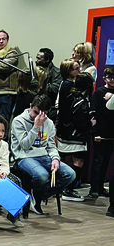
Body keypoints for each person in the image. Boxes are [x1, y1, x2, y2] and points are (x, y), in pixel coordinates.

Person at [11, 94, 76, 215]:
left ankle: (38, 195)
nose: (39, 117)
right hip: (24, 156)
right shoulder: (18, 121)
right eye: (36, 112)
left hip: (44, 155)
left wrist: (55, 159)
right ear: (31, 106)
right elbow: (25, 145)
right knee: (42, 175)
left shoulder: (49, 123)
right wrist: (36, 127)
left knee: (70, 174)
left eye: (43, 114)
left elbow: (51, 145)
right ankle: (35, 195)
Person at [54, 59, 90, 198]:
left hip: (65, 128)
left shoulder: (65, 84)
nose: (79, 70)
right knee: (76, 160)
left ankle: (67, 187)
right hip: (72, 130)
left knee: (69, 158)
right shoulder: (69, 87)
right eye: (76, 68)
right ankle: (69, 187)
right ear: (68, 71)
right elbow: (73, 112)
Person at [89, 65, 114, 200]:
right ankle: (94, 188)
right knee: (98, 160)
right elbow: (93, 113)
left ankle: (100, 186)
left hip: (111, 133)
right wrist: (95, 132)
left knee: (106, 161)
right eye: (109, 77)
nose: (112, 80)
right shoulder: (98, 92)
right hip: (100, 132)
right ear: (104, 78)